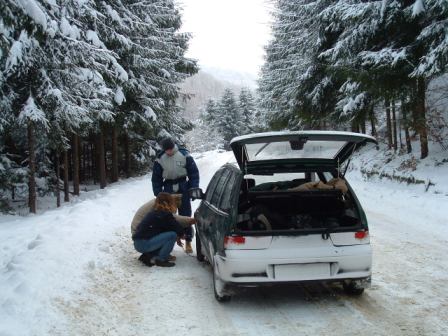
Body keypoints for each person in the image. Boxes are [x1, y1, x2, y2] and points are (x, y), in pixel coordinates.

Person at [151, 137, 199, 254]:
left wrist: (193, 188)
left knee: (186, 215)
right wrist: (158, 193)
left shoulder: (184, 154)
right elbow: (156, 179)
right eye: (167, 150)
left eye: (171, 149)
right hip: (168, 188)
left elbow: (193, 173)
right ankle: (169, 242)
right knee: (167, 216)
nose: (169, 152)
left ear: (174, 146)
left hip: (183, 187)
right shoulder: (160, 159)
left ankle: (188, 240)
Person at [132, 192, 196, 267]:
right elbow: (175, 226)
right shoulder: (164, 214)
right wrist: (183, 235)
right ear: (168, 203)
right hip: (144, 244)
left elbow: (169, 227)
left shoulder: (155, 213)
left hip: (138, 243)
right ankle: (160, 259)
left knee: (166, 234)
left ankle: (148, 256)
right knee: (172, 235)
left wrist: (180, 234)